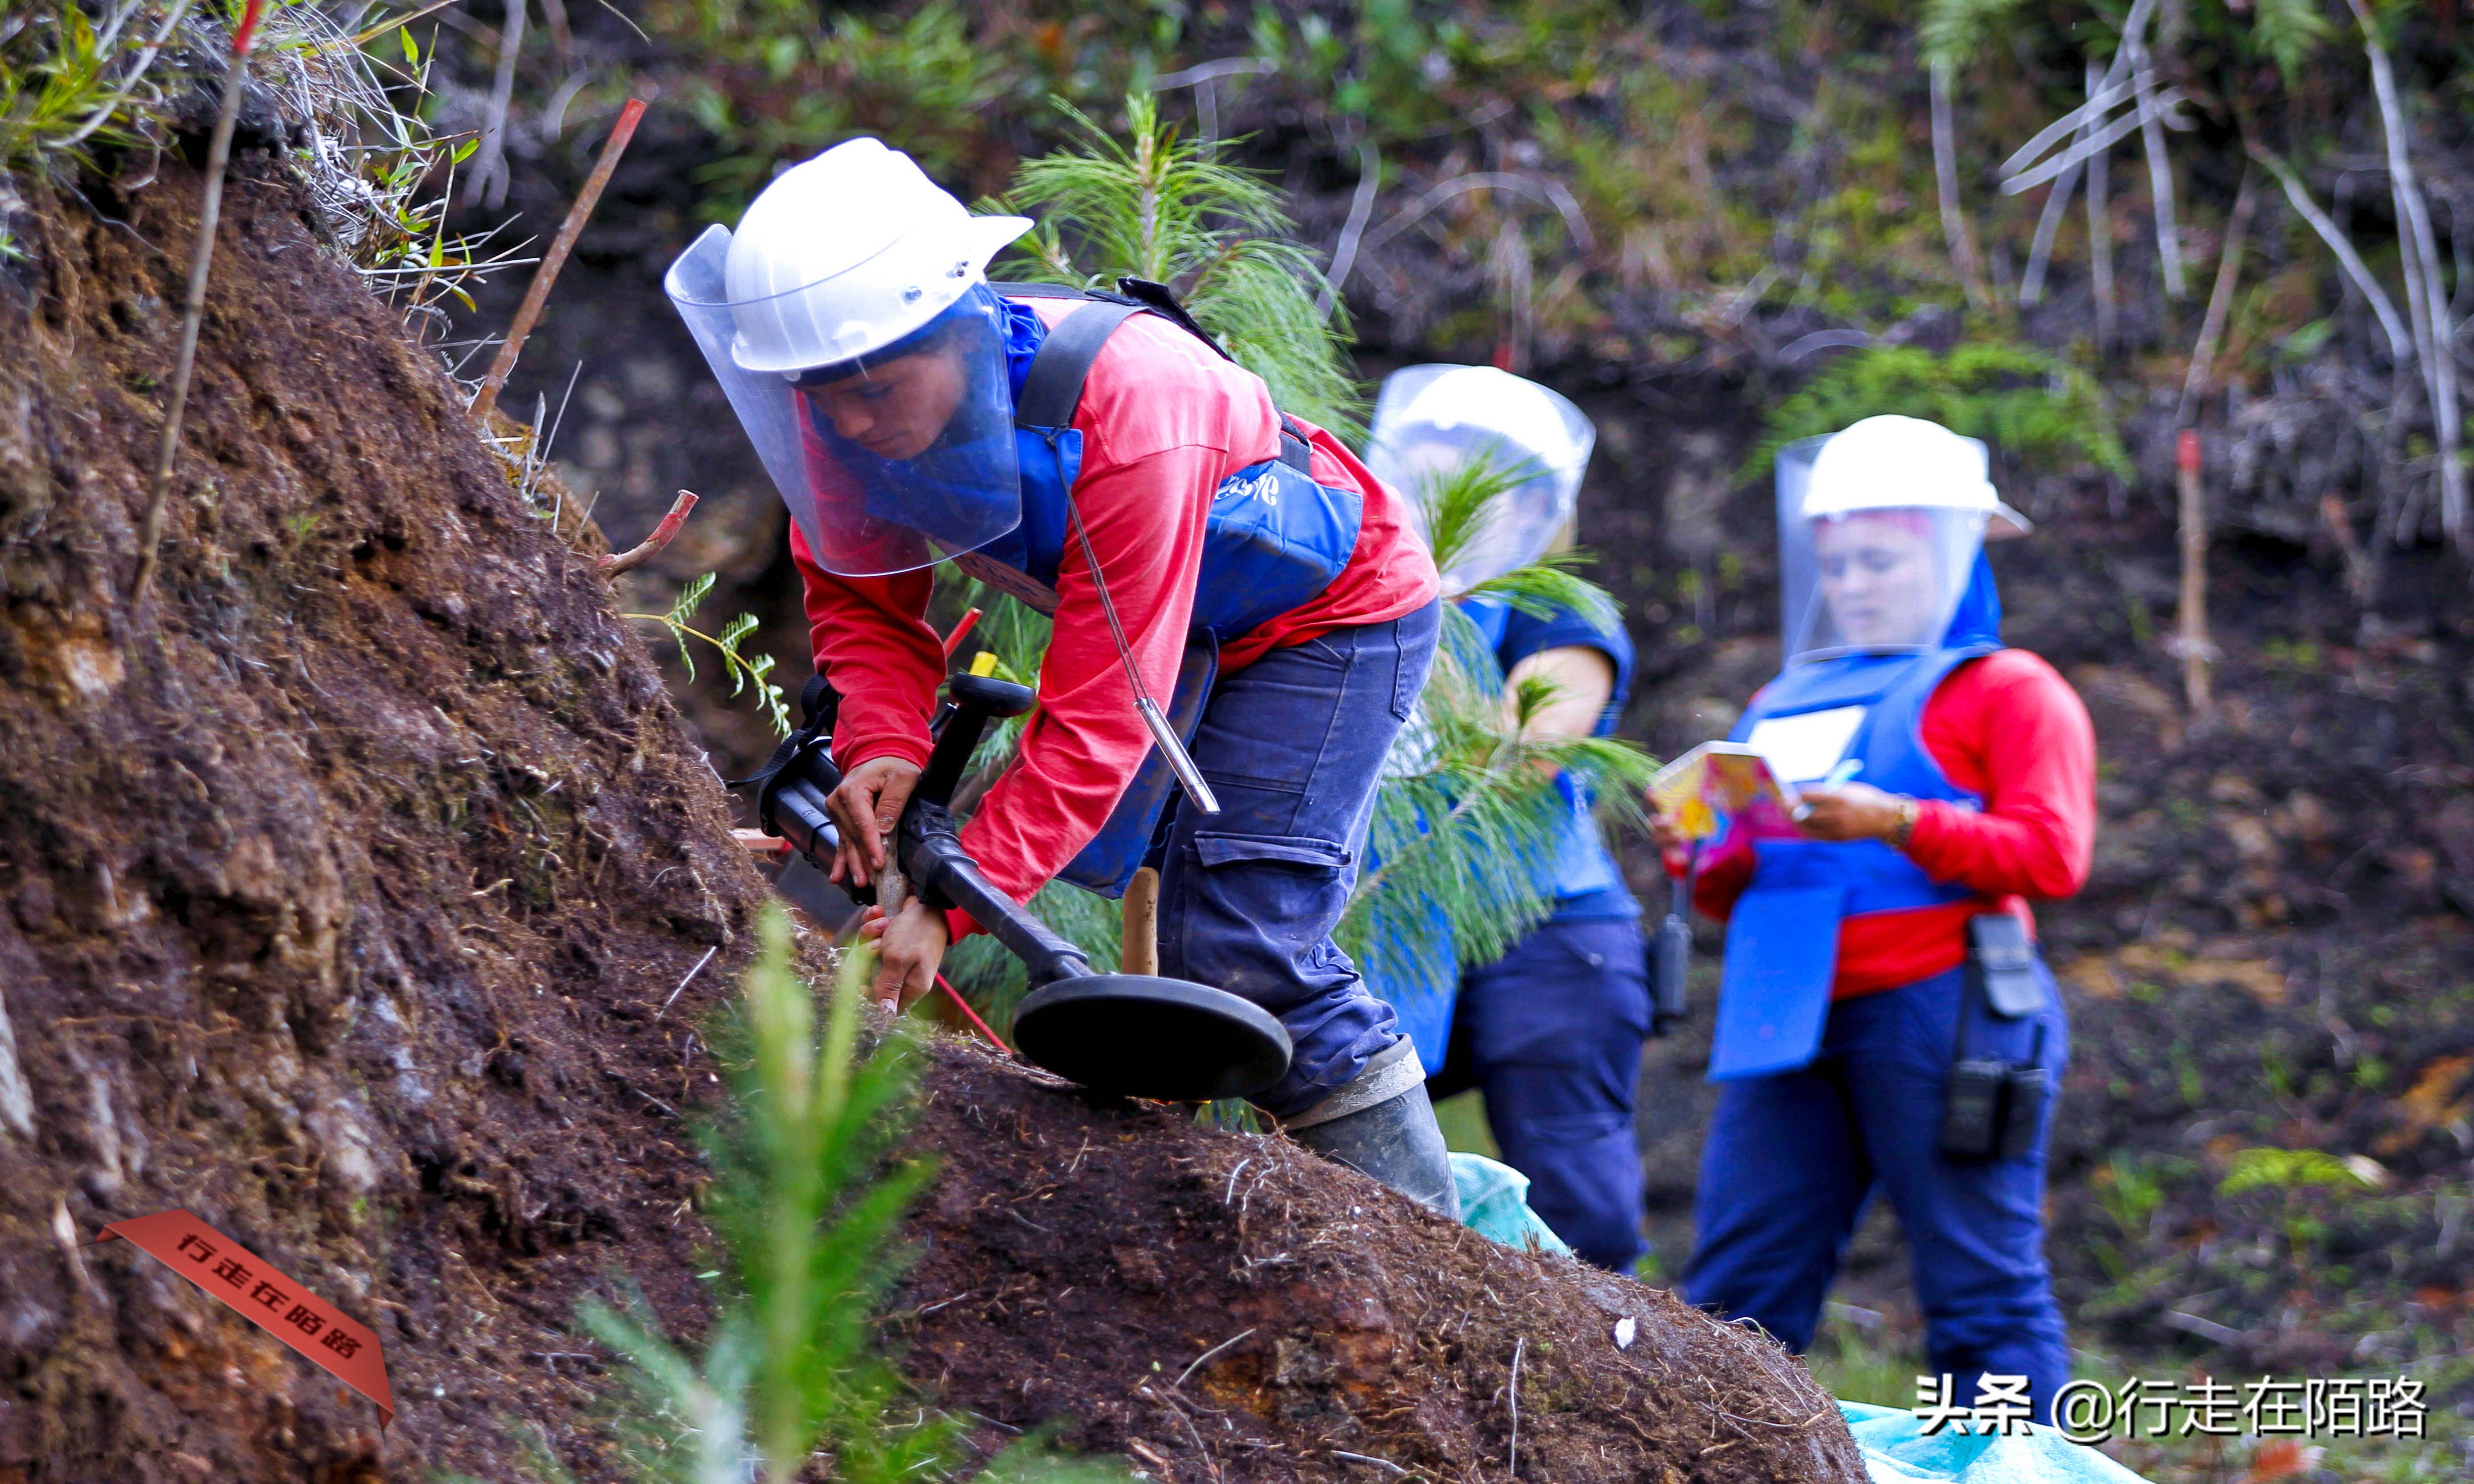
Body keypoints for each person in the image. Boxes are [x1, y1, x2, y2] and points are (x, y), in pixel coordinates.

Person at [665, 139, 1457, 1214]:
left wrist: (952, 911)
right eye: (816, 392)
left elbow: (1097, 720)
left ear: (963, 324)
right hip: (1164, 628)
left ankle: (1424, 1238)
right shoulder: (844, 404)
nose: (848, 422)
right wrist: (885, 745)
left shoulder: (1131, 414)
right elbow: (860, 598)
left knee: (1237, 946)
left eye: (875, 387)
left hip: (1326, 620)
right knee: (1121, 912)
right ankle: (1187, 1212)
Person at [1654, 416, 2094, 1417]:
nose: (1852, 584)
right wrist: (1695, 844)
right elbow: (1743, 881)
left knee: (1979, 1287)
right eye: (1836, 563)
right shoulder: (1783, 697)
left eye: (1879, 562)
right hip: (1785, 1013)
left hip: (1943, 1007)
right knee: (1735, 1294)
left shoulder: (2009, 689)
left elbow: (2053, 855)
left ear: (1949, 553)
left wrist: (1898, 821)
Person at [1359, 366, 1650, 1265]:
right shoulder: (1351, 587)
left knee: (1574, 1189)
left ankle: (1618, 1371)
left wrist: (1426, 628)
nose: (1447, 497)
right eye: (1430, 470)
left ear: (1534, 505)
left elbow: (1529, 753)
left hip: (1548, 934)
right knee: (1359, 1169)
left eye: (1479, 478)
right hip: (1389, 906)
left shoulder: (1555, 605)